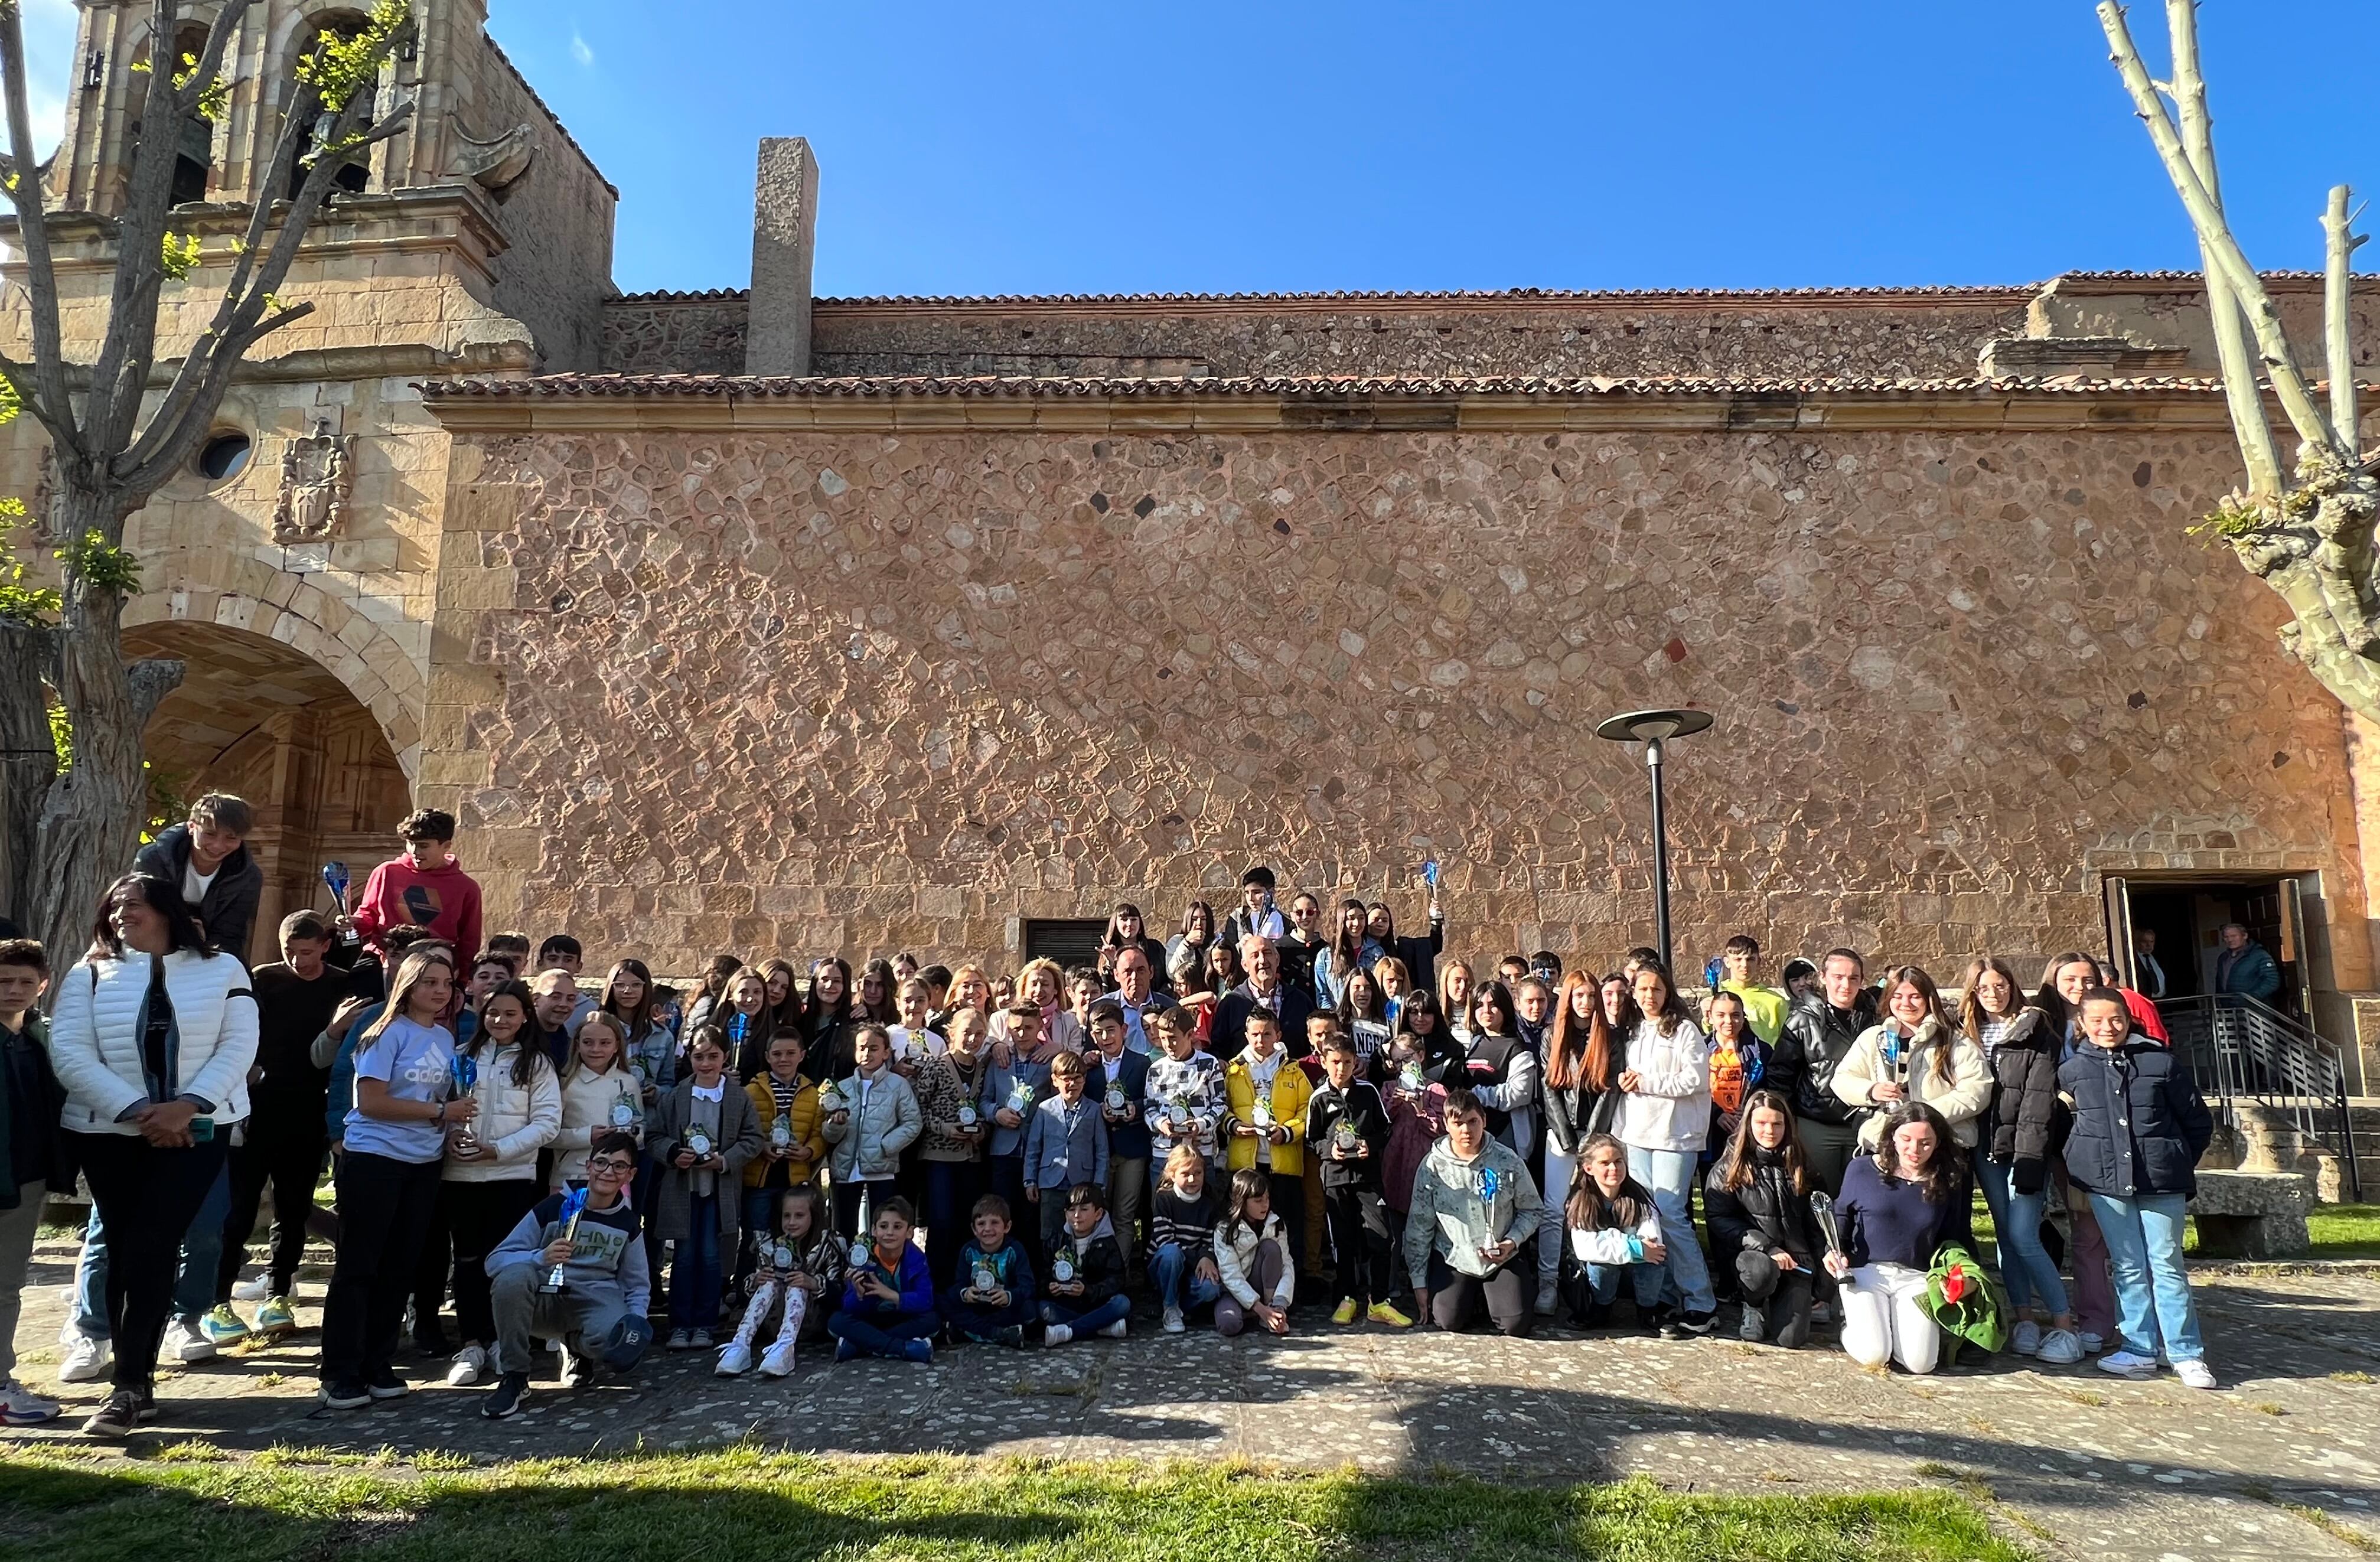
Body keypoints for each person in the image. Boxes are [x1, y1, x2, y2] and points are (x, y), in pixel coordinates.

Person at [47, 875, 258, 1437]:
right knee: (122, 1247)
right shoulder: (88, 973)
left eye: (133, 905)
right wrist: (142, 1110)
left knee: (154, 1242)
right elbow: (69, 1051)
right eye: (114, 907)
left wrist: (186, 1106)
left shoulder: (224, 969)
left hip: (197, 1131)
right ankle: (132, 1382)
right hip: (111, 1133)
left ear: (166, 910)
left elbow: (239, 1044)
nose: (121, 914)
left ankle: (132, 1384)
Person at [318, 948, 458, 1412]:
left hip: (423, 1162)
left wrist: (450, 1126)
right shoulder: (383, 1032)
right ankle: (339, 1370)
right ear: (408, 985)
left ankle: (379, 1362)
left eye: (446, 982)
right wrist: (440, 1111)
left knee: (400, 1267)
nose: (439, 991)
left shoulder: (442, 1036)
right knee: (360, 1266)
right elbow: (372, 1101)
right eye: (429, 982)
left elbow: (438, 1099)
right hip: (376, 1157)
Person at [2061, 987, 2218, 1387]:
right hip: (2106, 1183)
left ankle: (2184, 1351)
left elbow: (2197, 1121)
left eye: (2115, 1018)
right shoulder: (2074, 1070)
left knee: (2166, 1263)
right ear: (2083, 1024)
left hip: (2160, 1180)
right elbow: (2074, 1126)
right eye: (2096, 1020)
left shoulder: (2160, 1062)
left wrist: (2175, 1157)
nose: (2107, 1027)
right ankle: (2138, 1347)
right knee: (2128, 1265)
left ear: (2127, 1018)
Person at [213, 911, 344, 1340]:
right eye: (290, 951)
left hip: (308, 1109)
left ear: (325, 946)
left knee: (293, 1208)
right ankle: (218, 1298)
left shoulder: (340, 984)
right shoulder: (262, 979)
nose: (298, 961)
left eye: (307, 952)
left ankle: (279, 1292)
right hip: (256, 1106)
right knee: (239, 1208)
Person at [439, 977, 562, 1388]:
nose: (500, 1020)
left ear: (525, 1016)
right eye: (493, 1012)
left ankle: (502, 1342)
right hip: (461, 1175)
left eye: (510, 1013)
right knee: (469, 1261)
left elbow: (547, 1123)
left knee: (506, 1261)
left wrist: (500, 1149)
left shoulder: (537, 1064)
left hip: (510, 1176)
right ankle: (472, 1341)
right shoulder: (460, 1055)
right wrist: (450, 1136)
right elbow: (443, 1109)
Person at [1960, 957, 2082, 1365]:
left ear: (2013, 985)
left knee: (2025, 1234)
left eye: (2000, 985)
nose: (1993, 993)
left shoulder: (2037, 1029)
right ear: (1973, 992)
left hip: (2026, 1145)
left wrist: (2032, 1156)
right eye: (1983, 987)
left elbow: (2038, 1101)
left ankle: (2065, 1324)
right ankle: (2024, 1317)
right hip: (1986, 1145)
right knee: (2004, 1235)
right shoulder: (1967, 1033)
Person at [479, 1130, 650, 1417]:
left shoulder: (628, 1223)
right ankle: (515, 1376)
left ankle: (577, 1349)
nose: (608, 1172)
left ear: (630, 1175)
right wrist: (539, 1258)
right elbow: (495, 1261)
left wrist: (636, 1323)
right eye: (601, 1163)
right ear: (589, 1166)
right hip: (544, 1298)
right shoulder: (554, 1207)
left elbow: (637, 1283)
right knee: (511, 1280)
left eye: (619, 1166)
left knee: (620, 1339)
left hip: (593, 1302)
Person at [1825, 1102, 1973, 1376]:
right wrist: (1834, 1251)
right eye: (1906, 1140)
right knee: (1875, 1355)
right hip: (1864, 1270)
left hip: (1916, 1275)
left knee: (1921, 1364)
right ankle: (1850, 1326)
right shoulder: (1861, 1169)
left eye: (1925, 1143)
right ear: (1892, 1136)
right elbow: (1841, 1216)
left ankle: (1887, 1327)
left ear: (1938, 1143)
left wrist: (1963, 1276)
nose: (1914, 1151)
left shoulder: (1950, 1178)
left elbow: (1957, 1235)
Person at [1609, 961, 1717, 1336]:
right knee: (1647, 1217)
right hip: (1636, 1132)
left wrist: (1646, 1081)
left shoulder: (1685, 1030)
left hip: (1675, 1134)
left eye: (1655, 989)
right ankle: (1667, 1295)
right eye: (1641, 990)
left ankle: (1701, 1300)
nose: (1648, 996)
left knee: (1671, 1212)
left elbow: (1696, 1079)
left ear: (1667, 992)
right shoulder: (1631, 1030)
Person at [651, 1028, 762, 1351]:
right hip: (683, 1188)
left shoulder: (738, 1098)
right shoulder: (675, 1097)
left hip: (718, 1187)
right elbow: (654, 1136)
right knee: (684, 1257)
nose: (706, 1063)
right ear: (689, 1058)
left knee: (712, 1257)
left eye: (713, 1056)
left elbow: (753, 1139)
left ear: (725, 1057)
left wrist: (725, 1160)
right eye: (699, 1057)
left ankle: (706, 1322)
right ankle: (680, 1324)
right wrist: (674, 1153)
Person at [1403, 1085, 1543, 1337]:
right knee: (1448, 1320)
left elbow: (1532, 1210)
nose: (1466, 1130)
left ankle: (1494, 1297)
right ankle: (1471, 1298)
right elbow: (1419, 1225)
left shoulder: (1508, 1160)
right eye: (1458, 1123)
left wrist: (1512, 1242)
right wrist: (1419, 1282)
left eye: (1473, 1121)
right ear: (1446, 1125)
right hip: (1455, 1257)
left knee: (1516, 1324)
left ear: (1484, 1121)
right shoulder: (1432, 1166)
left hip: (1502, 1256)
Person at [0, 938, 65, 1425]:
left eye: (25, 982)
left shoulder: (41, 1040)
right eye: (3, 981)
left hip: (24, 1180)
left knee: (7, 1283)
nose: (14, 990)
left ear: (42, 986)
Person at [1704, 1091, 1820, 1346]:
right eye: (1762, 1123)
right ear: (1749, 1125)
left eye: (1778, 1124)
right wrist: (1767, 1246)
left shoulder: (1802, 1165)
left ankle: (1786, 1300)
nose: (1770, 1131)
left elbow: (1816, 1222)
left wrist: (1822, 1279)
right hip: (1752, 1257)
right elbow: (1718, 1218)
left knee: (1791, 1339)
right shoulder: (1728, 1167)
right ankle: (1753, 1305)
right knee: (1760, 1271)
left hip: (1795, 1261)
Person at [1833, 966, 1990, 1153]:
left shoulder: (1954, 1041)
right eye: (1897, 997)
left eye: (1915, 996)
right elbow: (1842, 1079)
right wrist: (1872, 1090)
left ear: (1928, 999)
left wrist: (1924, 1116)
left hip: (1942, 1144)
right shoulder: (1874, 1038)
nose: (1906, 1003)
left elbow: (1977, 1088)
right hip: (1888, 1143)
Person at [1307, 1031, 1405, 1326]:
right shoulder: (1319, 1098)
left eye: (1347, 1062)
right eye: (1335, 1062)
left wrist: (1370, 1146)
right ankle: (1347, 1299)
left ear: (1355, 1063)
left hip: (1368, 1178)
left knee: (1382, 1238)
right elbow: (1312, 1139)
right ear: (1324, 1062)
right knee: (1343, 1242)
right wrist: (1330, 1150)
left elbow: (1385, 1129)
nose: (1341, 1069)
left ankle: (1379, 1302)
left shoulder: (1369, 1092)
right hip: (1336, 1180)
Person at [1772, 947, 1877, 1196]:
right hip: (1817, 1124)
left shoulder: (1876, 1018)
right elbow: (1781, 1074)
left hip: (1864, 1121)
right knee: (1820, 1197)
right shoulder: (1802, 1019)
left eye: (1853, 978)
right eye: (1838, 977)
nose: (1846, 985)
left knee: (1862, 1197)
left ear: (1862, 980)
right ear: (1823, 977)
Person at [718, 1182, 842, 1376]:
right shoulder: (769, 1245)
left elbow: (839, 1294)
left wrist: (813, 1283)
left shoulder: (827, 1244)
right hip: (773, 1321)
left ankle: (785, 1348)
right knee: (770, 1280)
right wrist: (756, 1280)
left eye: (799, 1216)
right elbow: (743, 1295)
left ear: (814, 1216)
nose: (792, 1222)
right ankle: (740, 1345)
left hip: (811, 1321)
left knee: (796, 1282)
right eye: (787, 1216)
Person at [1537, 971, 1607, 1315]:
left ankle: (1590, 1285)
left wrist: (1591, 1141)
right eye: (1579, 996)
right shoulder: (1553, 1035)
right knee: (1553, 1210)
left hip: (1596, 1135)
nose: (1586, 1002)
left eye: (1591, 996)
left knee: (1591, 1209)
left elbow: (1609, 1091)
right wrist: (1567, 1137)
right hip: (1562, 1136)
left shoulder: (1608, 1036)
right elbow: (1550, 1087)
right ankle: (1547, 1283)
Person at [133, 793, 265, 965]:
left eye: (231, 838)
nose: (218, 846)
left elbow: (231, 934)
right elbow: (143, 915)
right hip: (150, 949)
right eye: (210, 834)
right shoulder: (152, 860)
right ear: (192, 827)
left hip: (209, 955)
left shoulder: (248, 878)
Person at [345, 809, 482, 967]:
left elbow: (469, 943)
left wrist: (461, 982)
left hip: (433, 965)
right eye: (411, 844)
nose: (415, 852)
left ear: (446, 846)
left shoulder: (467, 887)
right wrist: (353, 923)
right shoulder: (386, 872)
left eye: (423, 846)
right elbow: (368, 915)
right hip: (382, 959)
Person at [823, 1025, 923, 1241]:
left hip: (882, 1171)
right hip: (846, 1171)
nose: (867, 1053)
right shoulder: (842, 1087)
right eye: (862, 1048)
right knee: (843, 1232)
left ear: (886, 1053)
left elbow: (913, 1123)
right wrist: (836, 1125)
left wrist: (886, 1146)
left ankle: (879, 1272)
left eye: (874, 1048)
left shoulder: (898, 1085)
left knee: (881, 1231)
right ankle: (841, 1272)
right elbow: (829, 1135)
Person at [915, 1009, 992, 1288]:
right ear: (952, 1034)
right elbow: (917, 1109)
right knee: (942, 1222)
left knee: (967, 1222)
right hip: (939, 1156)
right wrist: (944, 1129)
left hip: (972, 1157)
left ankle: (965, 1283)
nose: (972, 1039)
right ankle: (935, 1284)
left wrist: (982, 1131)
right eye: (967, 1032)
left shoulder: (985, 1069)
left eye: (979, 1034)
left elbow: (986, 1106)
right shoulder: (936, 1067)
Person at [1560, 1133, 1666, 1329]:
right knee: (1602, 1263)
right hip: (1592, 1276)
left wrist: (1640, 1249)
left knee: (1654, 1261)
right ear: (1589, 1168)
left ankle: (1648, 1311)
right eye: (1605, 1163)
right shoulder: (1580, 1201)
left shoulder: (1639, 1197)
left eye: (1618, 1161)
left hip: (1631, 1272)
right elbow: (1586, 1249)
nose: (1614, 1169)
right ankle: (1601, 1309)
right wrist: (1634, 1248)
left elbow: (1653, 1241)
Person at [738, 1031, 826, 1264]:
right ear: (768, 1057)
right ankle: (748, 1286)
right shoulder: (752, 1091)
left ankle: (791, 1285)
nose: (783, 1059)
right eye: (777, 1054)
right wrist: (760, 1147)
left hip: (794, 1180)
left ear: (802, 1055)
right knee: (755, 1235)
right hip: (760, 1180)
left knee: (793, 1234)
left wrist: (808, 1151)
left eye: (790, 1053)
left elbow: (818, 1134)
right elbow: (743, 1131)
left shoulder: (813, 1093)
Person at [1083, 997, 1152, 1279]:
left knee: (1125, 1214)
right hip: (1098, 1149)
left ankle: (1118, 1276)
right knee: (1100, 1213)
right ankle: (1094, 1273)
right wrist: (1098, 1112)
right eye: (1098, 1032)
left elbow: (1153, 1099)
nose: (1105, 1037)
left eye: (1111, 1030)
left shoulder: (1142, 1063)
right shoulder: (1088, 1066)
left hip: (1132, 1148)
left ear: (1124, 1030)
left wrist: (1135, 1107)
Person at [827, 1196, 938, 1362]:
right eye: (883, 1227)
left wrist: (892, 1295)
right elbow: (849, 1307)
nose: (890, 1233)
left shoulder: (916, 1258)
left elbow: (926, 1300)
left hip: (901, 1316)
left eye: (898, 1227)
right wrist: (859, 1294)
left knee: (932, 1321)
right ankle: (905, 1349)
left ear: (909, 1232)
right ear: (874, 1230)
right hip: (871, 1317)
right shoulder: (862, 1257)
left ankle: (859, 1346)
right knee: (836, 1321)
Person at [1022, 1050, 1110, 1256]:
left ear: (1084, 1079)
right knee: (1049, 1233)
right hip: (1050, 1181)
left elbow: (1102, 1150)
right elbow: (1034, 1147)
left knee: (1081, 1233)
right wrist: (1030, 1180)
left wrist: (1099, 1184)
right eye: (1067, 1079)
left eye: (1077, 1078)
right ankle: (1049, 1278)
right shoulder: (1044, 1109)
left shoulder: (1094, 1110)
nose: (1072, 1084)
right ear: (1055, 1080)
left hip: (1082, 1183)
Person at [555, 1010, 645, 1190]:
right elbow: (548, 1135)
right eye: (588, 1043)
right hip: (572, 1175)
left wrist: (633, 1136)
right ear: (578, 1044)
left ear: (616, 1046)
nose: (596, 1049)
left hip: (615, 1178)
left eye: (605, 1043)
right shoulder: (565, 1083)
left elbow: (640, 1125)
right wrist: (588, 1136)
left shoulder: (628, 1082)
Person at [936, 1193, 1036, 1348]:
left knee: (1029, 1310)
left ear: (1007, 1227)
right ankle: (998, 1334)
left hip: (1002, 1307)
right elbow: (958, 1284)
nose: (988, 1229)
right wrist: (966, 1293)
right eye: (981, 1224)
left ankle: (966, 1332)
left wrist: (1009, 1296)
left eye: (995, 1223)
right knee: (941, 1301)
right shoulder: (968, 1251)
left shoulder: (1015, 1250)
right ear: (974, 1229)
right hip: (977, 1306)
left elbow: (1028, 1286)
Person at [1039, 1182, 1130, 1346]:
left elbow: (1117, 1280)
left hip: (1097, 1304)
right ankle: (1100, 1328)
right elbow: (1042, 1275)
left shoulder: (1107, 1243)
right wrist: (1050, 1287)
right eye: (1072, 1210)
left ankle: (1070, 1331)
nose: (1077, 1215)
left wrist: (1088, 1290)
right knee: (1042, 1308)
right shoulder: (1057, 1241)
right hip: (1067, 1304)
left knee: (1122, 1303)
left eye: (1084, 1209)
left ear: (1098, 1213)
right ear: (1065, 1213)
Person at [1147, 1143, 1225, 1332]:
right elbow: (1165, 1241)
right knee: (1172, 1253)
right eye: (1185, 1174)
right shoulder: (1164, 1199)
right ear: (1173, 1175)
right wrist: (1200, 1258)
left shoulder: (1209, 1204)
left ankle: (1179, 1305)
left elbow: (1209, 1239)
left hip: (1192, 1267)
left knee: (1211, 1290)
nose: (1192, 1179)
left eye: (1198, 1173)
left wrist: (1207, 1256)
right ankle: (1170, 1306)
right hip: (1165, 1265)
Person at [1460, 980, 1539, 1163]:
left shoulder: (1517, 1047)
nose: (1486, 1011)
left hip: (1506, 1135)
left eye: (1493, 1005)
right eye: (1479, 1005)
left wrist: (1475, 1095)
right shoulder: (1476, 1042)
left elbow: (1519, 1093)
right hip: (1473, 1134)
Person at [1212, 1166, 1295, 1337]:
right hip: (1234, 1291)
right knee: (1229, 1325)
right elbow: (1230, 1275)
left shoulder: (1275, 1224)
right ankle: (1256, 1313)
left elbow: (1287, 1265)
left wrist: (1280, 1305)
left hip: (1265, 1288)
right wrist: (1258, 1307)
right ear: (1242, 1201)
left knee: (1271, 1248)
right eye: (1258, 1200)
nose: (1265, 1205)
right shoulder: (1224, 1229)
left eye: (1267, 1199)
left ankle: (1271, 1311)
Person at [1144, 1003, 1226, 1168]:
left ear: (1190, 1034)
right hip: (1165, 1153)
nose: (1168, 1045)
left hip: (1200, 1151)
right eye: (1163, 1039)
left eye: (1173, 1038)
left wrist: (1201, 1124)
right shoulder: (1156, 1069)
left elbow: (1220, 1104)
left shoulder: (1209, 1063)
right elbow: (1149, 1107)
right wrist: (1161, 1124)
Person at [1212, 937, 1314, 1061]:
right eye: (1255, 956)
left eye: (1267, 953)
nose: (1262, 960)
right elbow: (1218, 1051)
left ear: (1277, 959)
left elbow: (1312, 1048)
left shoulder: (1300, 1001)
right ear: (1245, 965)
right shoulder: (1231, 1004)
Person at [1311, 899, 1387, 1012]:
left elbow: (1382, 989)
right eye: (1351, 918)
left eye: (1361, 918)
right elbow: (1323, 994)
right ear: (1342, 920)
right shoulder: (1326, 956)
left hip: (1369, 1019)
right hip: (1339, 1018)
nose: (1357, 923)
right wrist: (1334, 1019)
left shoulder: (1377, 952)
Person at [1714, 935, 1789, 1046]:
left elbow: (1787, 1043)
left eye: (1750, 959)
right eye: (1738, 959)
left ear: (1758, 961)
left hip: (1766, 1061)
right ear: (1727, 962)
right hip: (1725, 1061)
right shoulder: (1717, 996)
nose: (1744, 965)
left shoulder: (1776, 1001)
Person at [1366, 890, 1445, 994]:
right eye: (1376, 919)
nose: (1380, 923)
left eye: (1385, 920)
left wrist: (1436, 920)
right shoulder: (1359, 949)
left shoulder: (1400, 948)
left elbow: (1432, 947)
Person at [528, 968, 585, 1075]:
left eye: (571, 999)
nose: (563, 1004)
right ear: (535, 999)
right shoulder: (519, 1039)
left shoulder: (572, 1048)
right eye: (555, 997)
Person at [1223, 865, 1289, 951]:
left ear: (1271, 892)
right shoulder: (1237, 918)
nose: (1250, 898)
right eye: (1247, 893)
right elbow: (1228, 952)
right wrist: (1240, 946)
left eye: (1256, 892)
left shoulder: (1285, 921)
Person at [2213, 923, 2281, 1004]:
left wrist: (2253, 997)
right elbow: (2220, 982)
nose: (2230, 940)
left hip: (2255, 1009)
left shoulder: (2259, 955)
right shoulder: (2223, 958)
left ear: (2245, 936)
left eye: (2234, 936)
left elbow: (2272, 981)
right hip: (2229, 1008)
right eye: (2226, 937)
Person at [1166, 901, 1219, 993]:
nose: (1199, 923)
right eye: (1194, 919)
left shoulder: (1216, 943)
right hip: (1183, 994)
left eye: (1203, 919)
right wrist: (1186, 944)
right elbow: (1171, 972)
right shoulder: (1176, 942)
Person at [2132, 927, 2169, 1001]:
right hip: (2146, 1001)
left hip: (2164, 1001)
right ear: (2137, 942)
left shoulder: (2160, 958)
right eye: (2144, 942)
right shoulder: (2133, 960)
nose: (2149, 945)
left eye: (2151, 942)